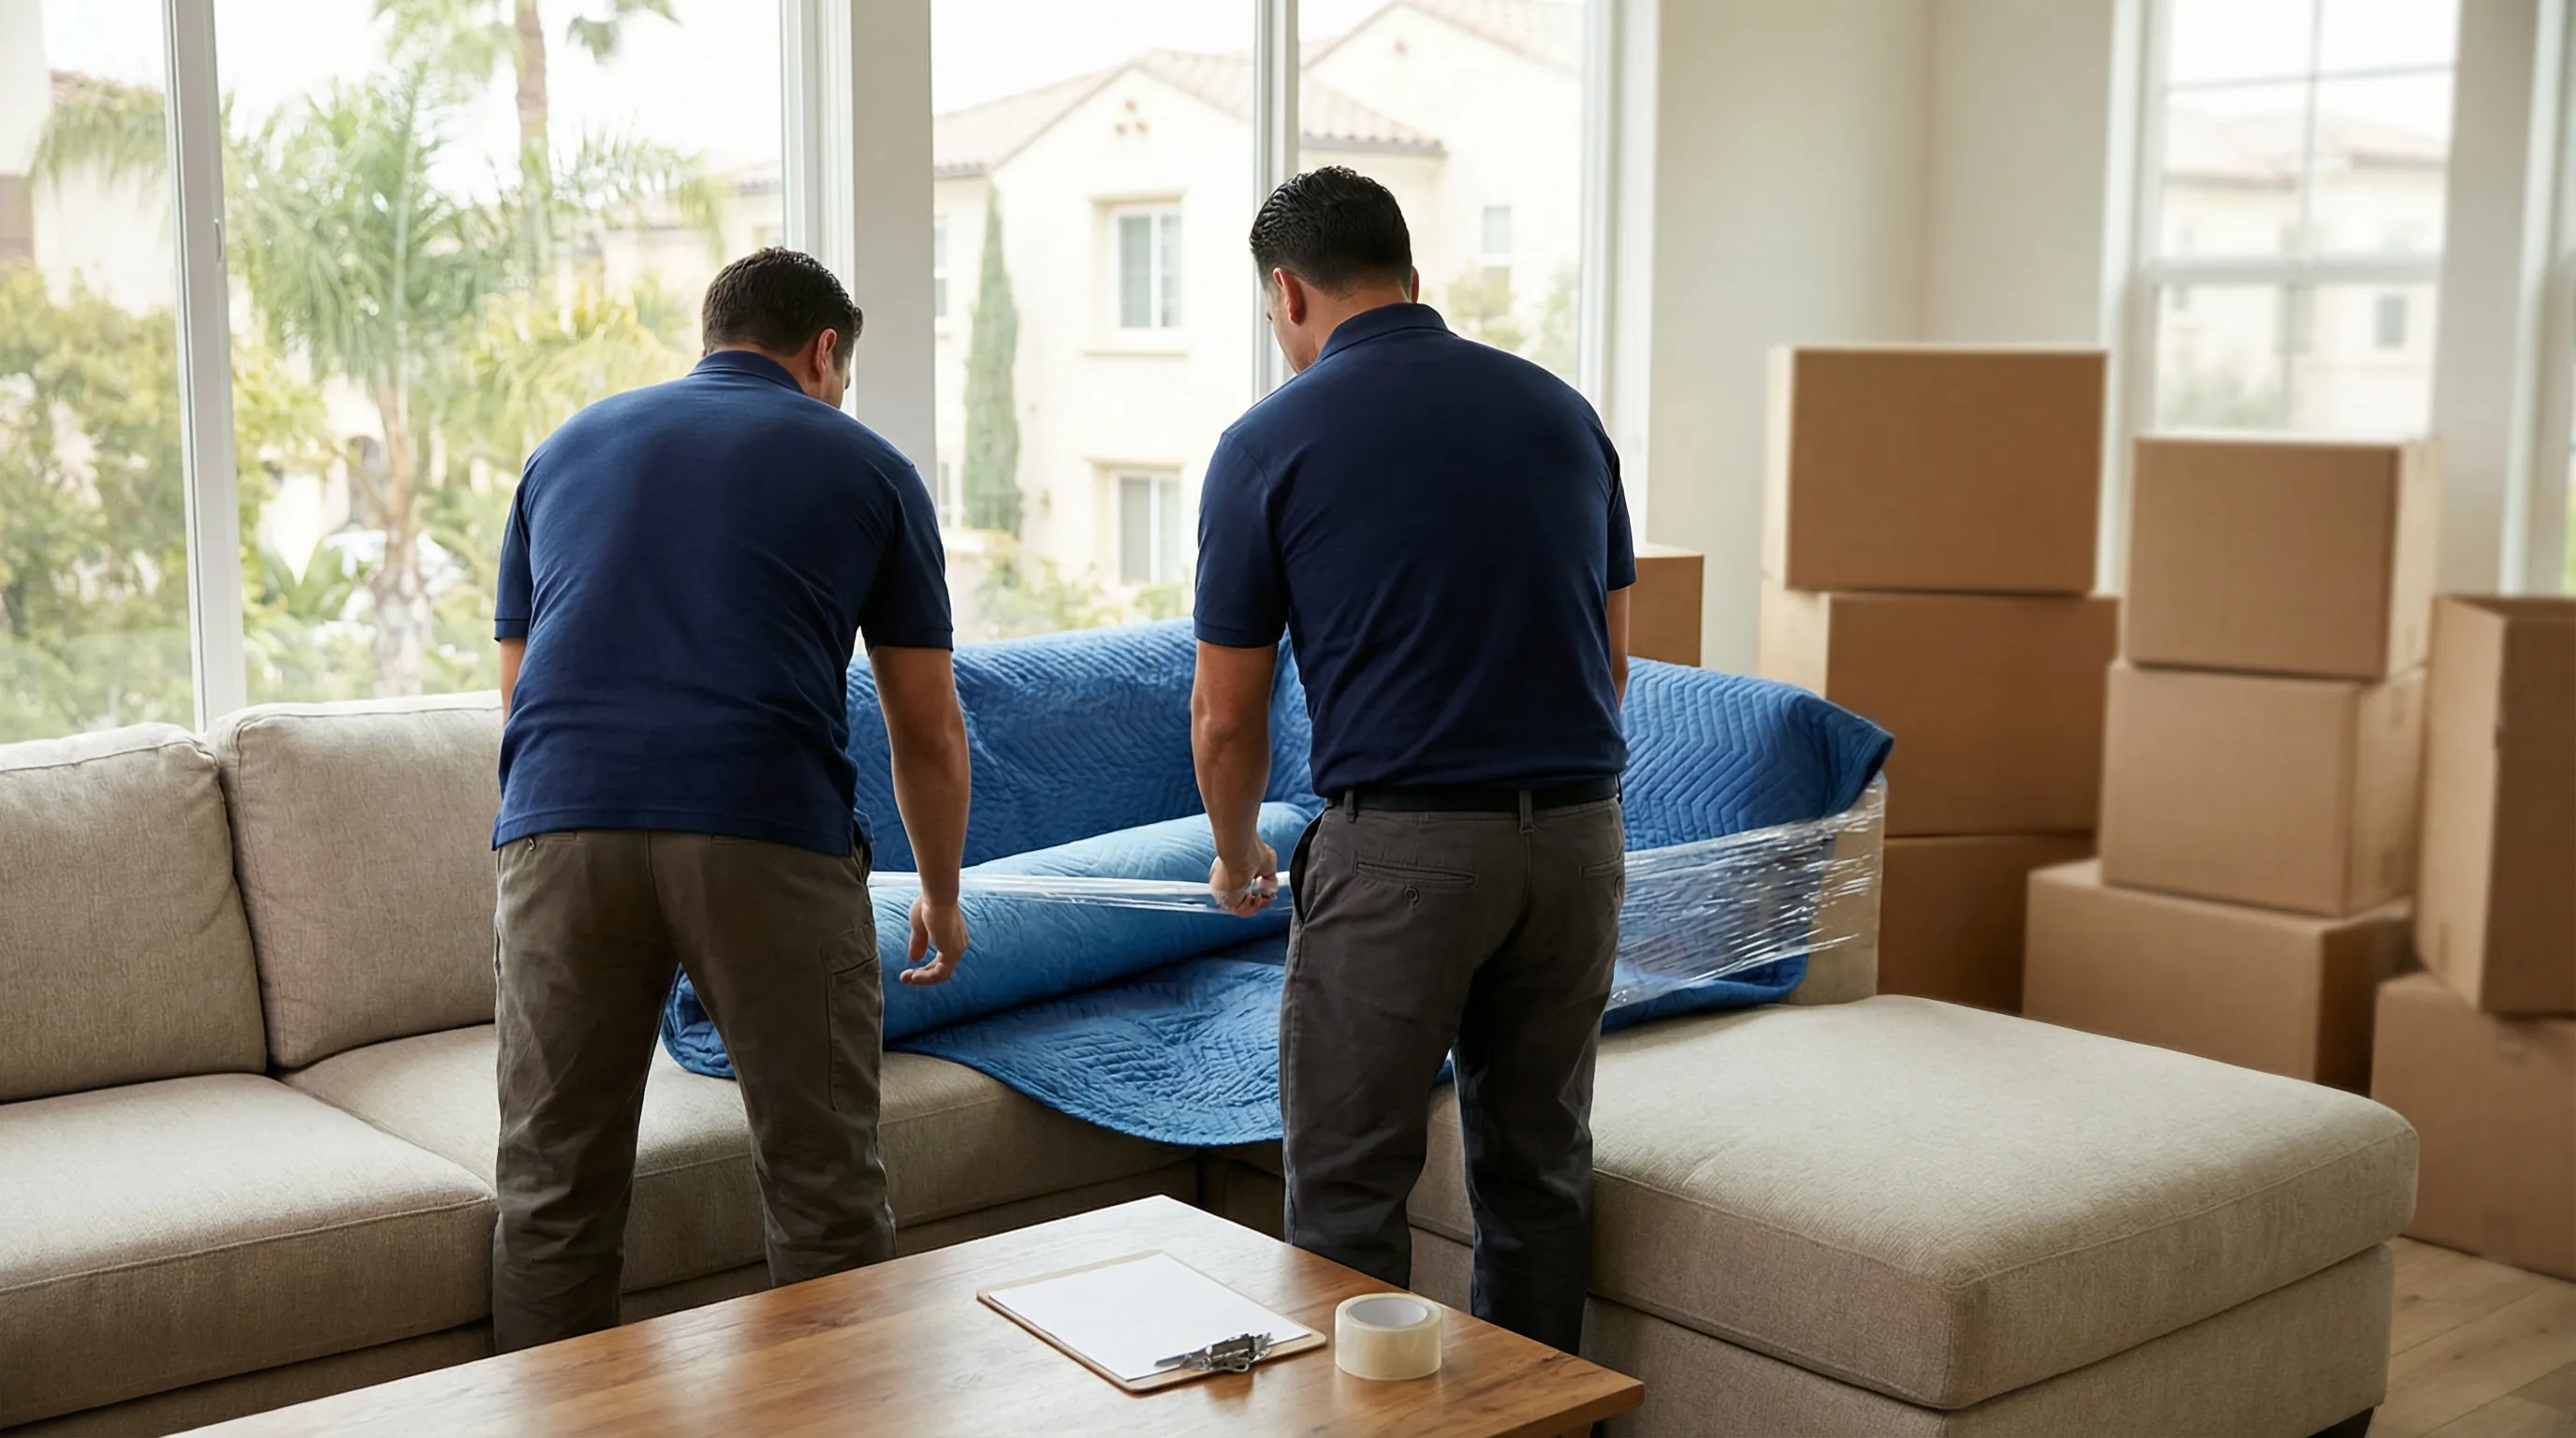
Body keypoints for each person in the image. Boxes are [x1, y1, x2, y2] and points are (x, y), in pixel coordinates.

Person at [488, 247, 972, 1353]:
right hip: (764, 828)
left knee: (551, 1194)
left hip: (558, 828)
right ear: (824, 351)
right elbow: (927, 727)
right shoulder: (869, 466)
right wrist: (941, 895)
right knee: (822, 1189)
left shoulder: (562, 450)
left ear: (713, 335)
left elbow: (518, 699)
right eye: (841, 376)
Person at [1192, 168, 1633, 1356]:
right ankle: (1537, 1428)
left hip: (1404, 854)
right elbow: (1609, 663)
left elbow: (1226, 719)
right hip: (1580, 843)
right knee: (1540, 1171)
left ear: (1287, 292)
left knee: (1346, 1186)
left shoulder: (1267, 443)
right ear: (1410, 277)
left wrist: (1236, 856)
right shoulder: (1562, 413)